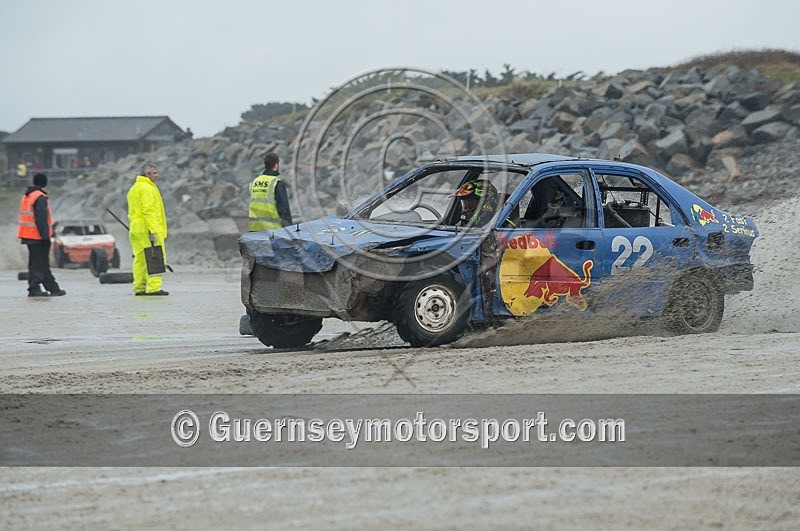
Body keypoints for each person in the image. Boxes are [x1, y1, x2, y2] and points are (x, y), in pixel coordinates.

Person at [17, 173, 66, 297]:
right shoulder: (40, 198)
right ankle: (34, 289)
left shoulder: (28, 196)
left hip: (28, 235)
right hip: (37, 237)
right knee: (38, 264)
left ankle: (53, 288)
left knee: (41, 263)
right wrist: (45, 237)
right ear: (45, 183)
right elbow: (41, 220)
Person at [127, 162, 169, 296]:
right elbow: (148, 210)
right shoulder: (147, 189)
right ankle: (153, 288)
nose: (157, 176)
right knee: (154, 257)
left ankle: (139, 287)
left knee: (140, 259)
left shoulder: (134, 188)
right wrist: (154, 230)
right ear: (147, 174)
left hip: (136, 228)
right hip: (148, 228)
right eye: (154, 173)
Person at [248, 152, 292, 231]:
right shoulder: (277, 183)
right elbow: (284, 210)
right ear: (275, 165)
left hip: (255, 229)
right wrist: (290, 230)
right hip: (273, 230)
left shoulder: (255, 182)